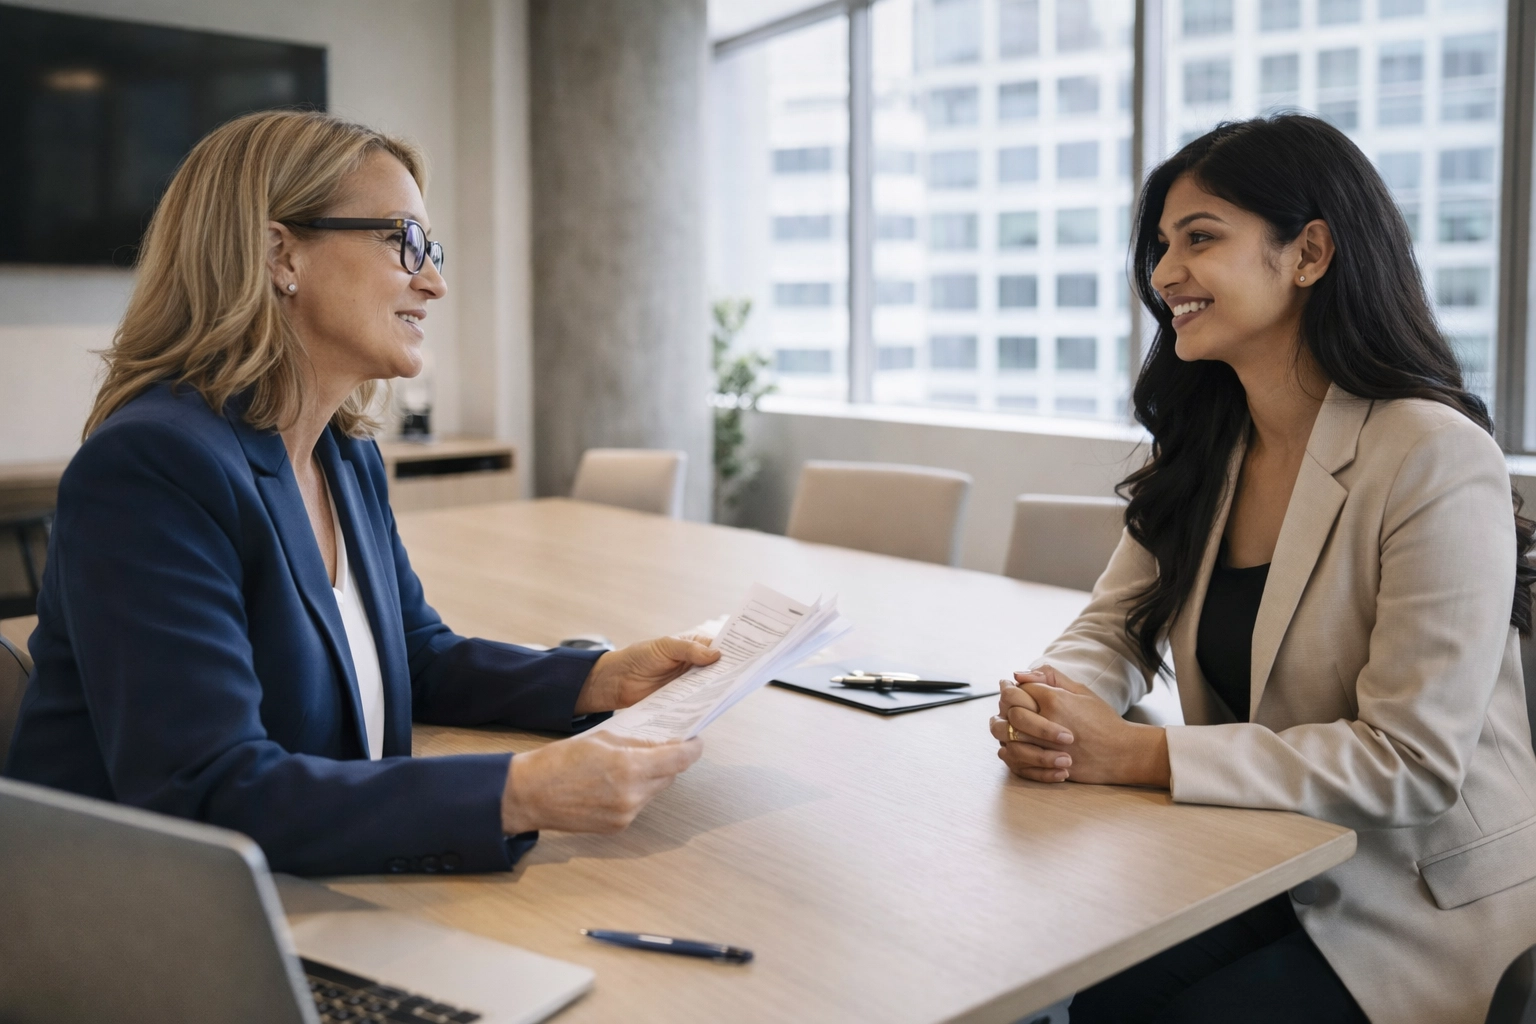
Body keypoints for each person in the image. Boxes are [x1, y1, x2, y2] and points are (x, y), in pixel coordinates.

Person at [3, 110, 718, 877]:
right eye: (401, 240)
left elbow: (414, 655)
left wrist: (593, 677)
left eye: (430, 249)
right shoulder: (153, 467)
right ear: (282, 254)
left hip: (315, 892)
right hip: (144, 928)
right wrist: (516, 793)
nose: (434, 282)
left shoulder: (343, 456)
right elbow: (204, 790)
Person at [991, 115, 1536, 1024]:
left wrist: (1137, 751)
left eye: (1200, 238)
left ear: (1310, 252)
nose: (1165, 276)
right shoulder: (1207, 450)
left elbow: (1410, 763)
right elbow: (1113, 626)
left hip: (1417, 896)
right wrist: (1053, 702)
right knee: (1096, 1002)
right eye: (1162, 246)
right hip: (1263, 859)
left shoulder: (1431, 453)